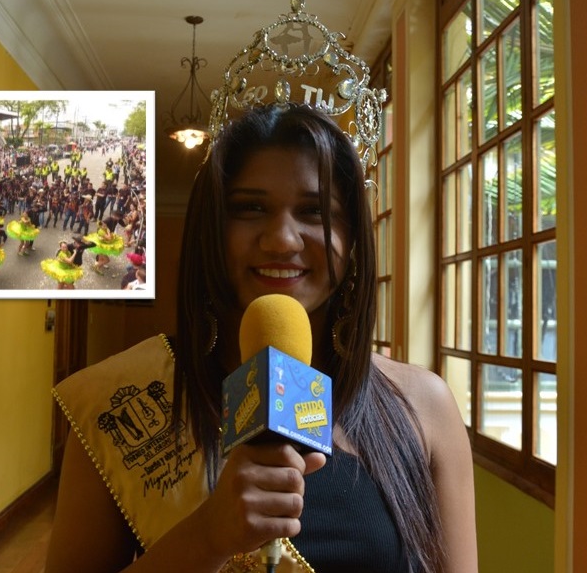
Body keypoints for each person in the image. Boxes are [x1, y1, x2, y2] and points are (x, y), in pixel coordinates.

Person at [45, 104, 477, 572]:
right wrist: (207, 536)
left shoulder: (423, 407)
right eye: (250, 208)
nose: (282, 240)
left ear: (353, 240)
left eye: (315, 211)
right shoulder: (124, 401)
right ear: (212, 230)